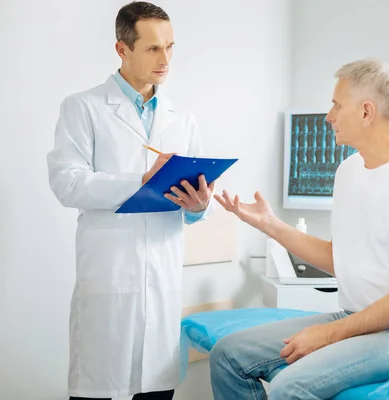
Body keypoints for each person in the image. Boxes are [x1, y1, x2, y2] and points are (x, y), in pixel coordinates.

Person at [211, 58, 389, 399]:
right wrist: (269, 224)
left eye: (337, 105)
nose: (329, 116)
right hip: (357, 316)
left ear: (366, 112)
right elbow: (337, 258)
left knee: (289, 386)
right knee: (228, 354)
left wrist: (329, 334)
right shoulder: (348, 171)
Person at [47, 2, 214, 399]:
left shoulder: (182, 117)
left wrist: (198, 207)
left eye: (170, 47)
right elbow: (67, 183)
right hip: (109, 277)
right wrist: (139, 181)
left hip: (162, 277)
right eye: (154, 49)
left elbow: (193, 202)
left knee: (156, 390)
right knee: (97, 388)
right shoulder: (83, 108)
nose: (166, 59)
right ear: (122, 49)